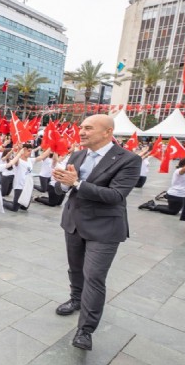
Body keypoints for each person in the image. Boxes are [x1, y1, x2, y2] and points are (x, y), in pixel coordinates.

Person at [51, 114, 142, 351]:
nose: (82, 132)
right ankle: (75, 299)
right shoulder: (78, 154)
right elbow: (63, 188)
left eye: (88, 128)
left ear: (107, 132)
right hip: (73, 222)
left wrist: (77, 183)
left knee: (94, 277)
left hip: (104, 228)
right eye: (81, 127)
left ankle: (86, 330)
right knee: (75, 269)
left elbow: (116, 195)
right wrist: (63, 182)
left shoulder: (129, 160)